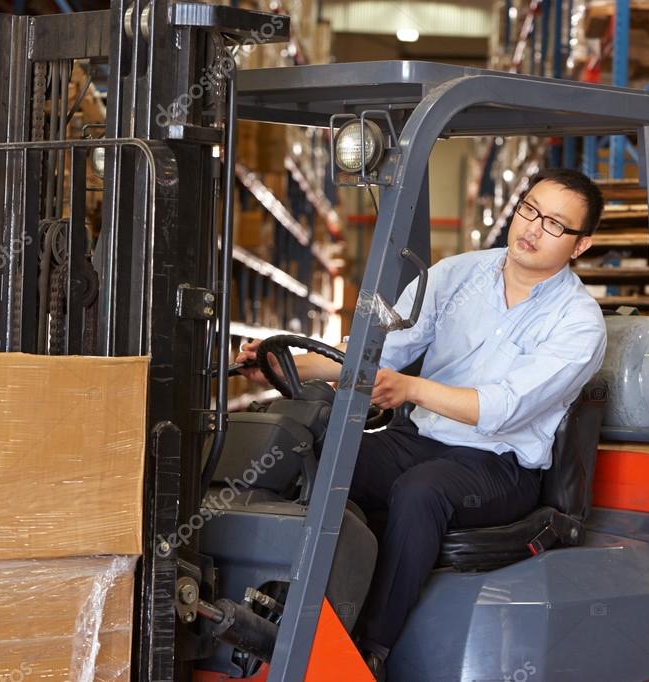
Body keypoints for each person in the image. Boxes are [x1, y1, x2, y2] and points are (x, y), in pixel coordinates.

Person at [236, 167, 607, 680]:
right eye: (529, 209)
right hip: (421, 439)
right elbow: (374, 351)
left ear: (580, 244)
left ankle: (371, 651)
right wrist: (287, 363)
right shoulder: (457, 275)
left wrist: (411, 389)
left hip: (499, 467)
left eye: (555, 224)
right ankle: (285, 613)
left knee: (420, 491)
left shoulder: (579, 321)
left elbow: (503, 408)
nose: (533, 227)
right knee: (315, 455)